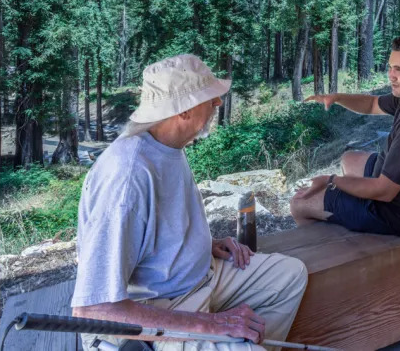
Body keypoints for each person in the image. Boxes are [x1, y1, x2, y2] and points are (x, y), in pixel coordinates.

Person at [70, 54, 307, 351]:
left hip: (198, 278)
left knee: (289, 277)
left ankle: (239, 340)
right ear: (183, 110)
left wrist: (202, 244)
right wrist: (209, 324)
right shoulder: (126, 176)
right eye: (209, 97)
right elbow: (94, 308)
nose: (218, 103)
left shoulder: (168, 145)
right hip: (155, 308)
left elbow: (153, 232)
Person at [294, 33, 400, 236]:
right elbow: (371, 104)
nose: (390, 75)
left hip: (398, 213)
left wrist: (331, 181)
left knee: (300, 202)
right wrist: (337, 98)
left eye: (398, 69)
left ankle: (326, 248)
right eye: (390, 67)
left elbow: (384, 191)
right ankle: (344, 212)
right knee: (348, 159)